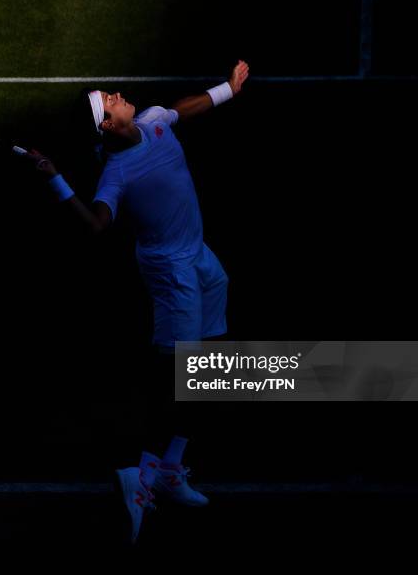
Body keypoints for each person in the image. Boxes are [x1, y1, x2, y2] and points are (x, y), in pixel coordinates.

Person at [27, 60, 250, 543]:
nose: (119, 95)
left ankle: (168, 469)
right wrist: (54, 178)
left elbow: (179, 111)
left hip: (200, 257)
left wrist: (227, 90)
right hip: (171, 272)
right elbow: (95, 225)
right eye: (110, 99)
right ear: (108, 124)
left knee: (210, 361)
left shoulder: (150, 119)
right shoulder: (117, 172)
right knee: (179, 376)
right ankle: (138, 472)